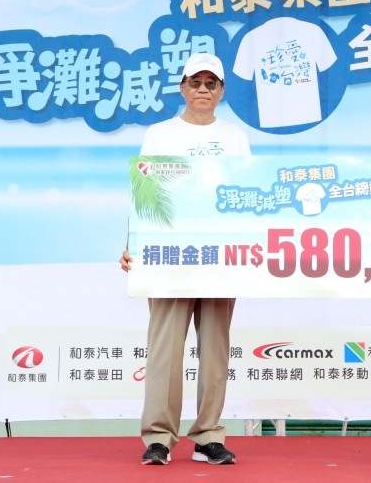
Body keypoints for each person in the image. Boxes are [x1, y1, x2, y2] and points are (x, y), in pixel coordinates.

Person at [120, 52, 251, 466]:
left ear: (222, 91)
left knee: (215, 349)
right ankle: (159, 437)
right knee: (165, 348)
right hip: (169, 256)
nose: (203, 90)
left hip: (220, 254)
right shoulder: (160, 134)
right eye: (195, 82)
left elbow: (247, 195)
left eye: (211, 83)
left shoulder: (235, 136)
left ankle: (208, 435)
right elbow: (144, 193)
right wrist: (133, 243)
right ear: (182, 87)